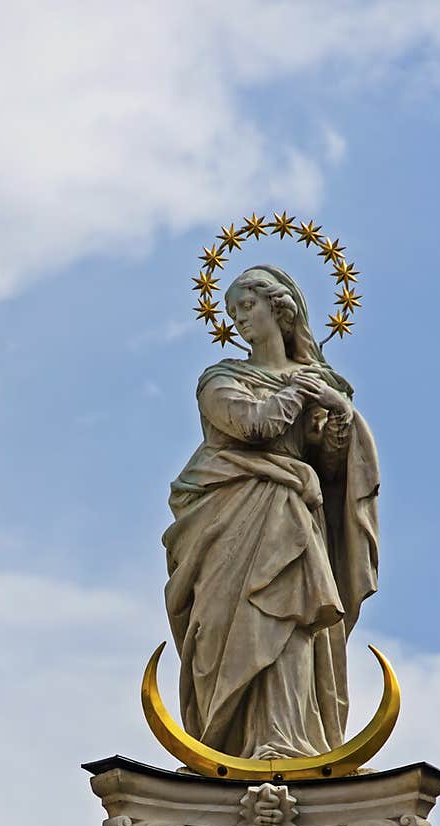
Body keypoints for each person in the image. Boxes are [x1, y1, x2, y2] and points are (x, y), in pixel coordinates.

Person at [163, 265, 379, 759]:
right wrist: (304, 391)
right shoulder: (220, 380)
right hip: (228, 517)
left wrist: (340, 417)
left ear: (280, 309)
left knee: (292, 616)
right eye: (233, 310)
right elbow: (252, 425)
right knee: (230, 624)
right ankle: (234, 738)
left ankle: (287, 736)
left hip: (294, 514)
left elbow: (327, 464)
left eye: (248, 305)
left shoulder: (314, 383)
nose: (239, 319)